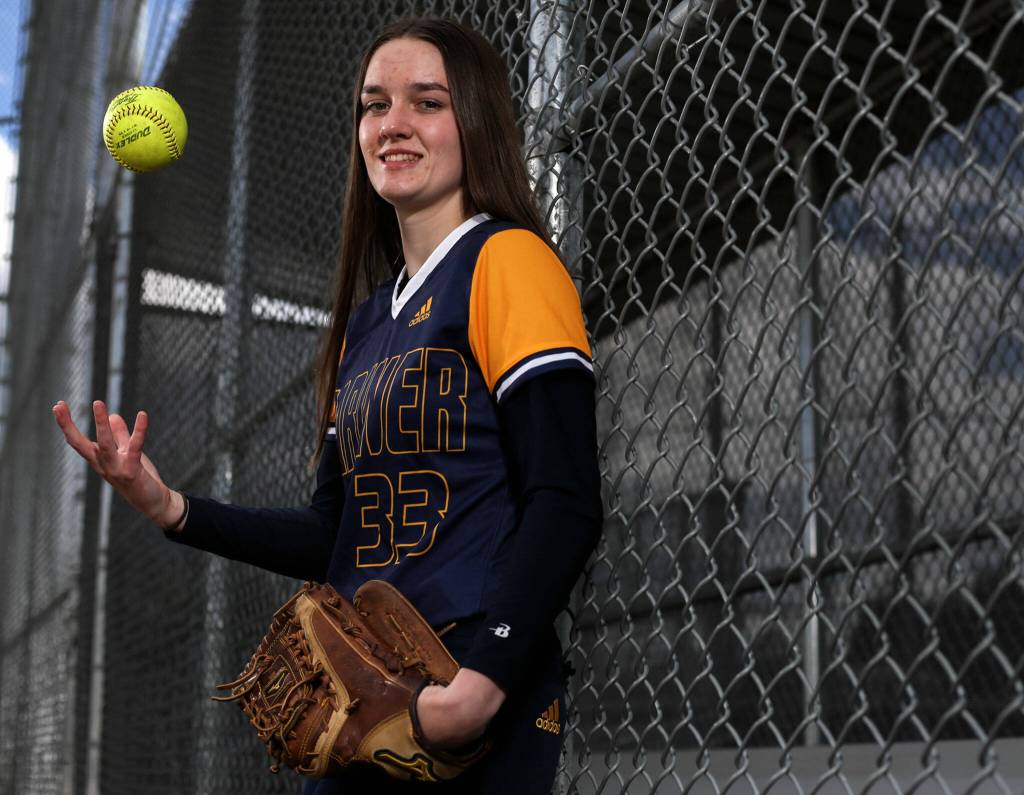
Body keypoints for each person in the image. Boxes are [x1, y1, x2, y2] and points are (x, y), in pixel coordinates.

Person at [53, 16, 602, 795]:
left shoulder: (506, 260)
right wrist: (172, 507)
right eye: (375, 105)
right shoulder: (367, 324)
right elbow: (332, 532)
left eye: (427, 102)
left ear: (476, 122)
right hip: (369, 703)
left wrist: (478, 688)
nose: (393, 124)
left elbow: (565, 496)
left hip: (469, 695)